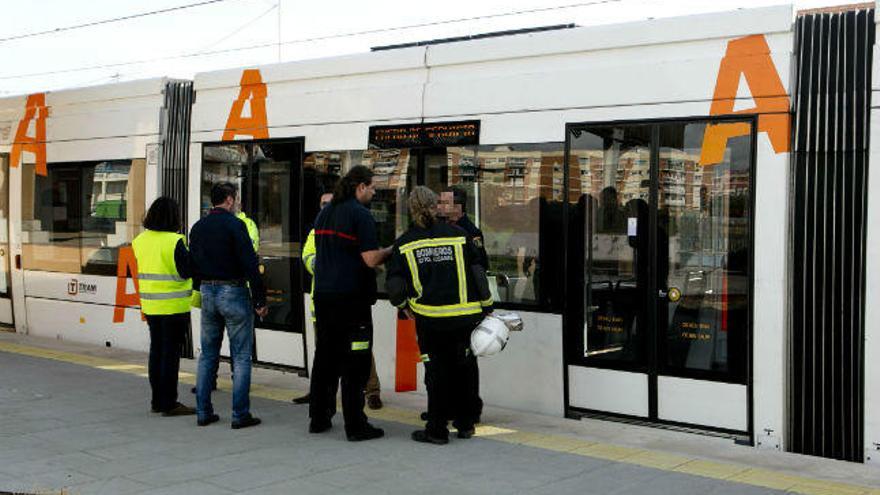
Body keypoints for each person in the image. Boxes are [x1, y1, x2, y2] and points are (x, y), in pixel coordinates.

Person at [387, 186, 494, 445]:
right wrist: (487, 306)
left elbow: (395, 286)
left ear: (412, 210)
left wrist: (403, 305)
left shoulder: (405, 242)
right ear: (435, 206)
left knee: (436, 372)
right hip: (465, 318)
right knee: (465, 368)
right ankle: (466, 423)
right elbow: (479, 272)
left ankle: (436, 429)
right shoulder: (459, 235)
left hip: (430, 320)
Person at [308, 165, 391, 441]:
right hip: (351, 301)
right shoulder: (360, 215)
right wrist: (393, 249)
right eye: (373, 187)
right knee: (356, 362)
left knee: (326, 358)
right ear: (360, 187)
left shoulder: (324, 214)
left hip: (324, 297)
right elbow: (369, 259)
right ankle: (356, 425)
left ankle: (319, 418)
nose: (375, 191)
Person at [292, 191, 385, 410]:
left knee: (362, 351)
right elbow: (307, 258)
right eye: (323, 203)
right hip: (323, 307)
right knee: (324, 356)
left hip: (349, 304)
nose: (326, 207)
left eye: (330, 203)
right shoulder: (316, 231)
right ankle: (320, 395)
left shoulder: (350, 226)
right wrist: (327, 265)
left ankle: (372, 391)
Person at [190, 182, 268, 429]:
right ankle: (240, 415)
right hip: (233, 292)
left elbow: (194, 262)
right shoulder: (237, 225)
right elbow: (250, 264)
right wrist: (260, 300)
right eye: (236, 198)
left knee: (208, 354)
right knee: (242, 355)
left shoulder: (198, 227)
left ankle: (203, 412)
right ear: (230, 200)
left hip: (207, 292)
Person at [132, 197, 196, 417]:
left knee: (156, 351)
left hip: (150, 305)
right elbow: (187, 271)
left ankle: (157, 400)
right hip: (174, 306)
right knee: (170, 355)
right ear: (174, 217)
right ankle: (169, 402)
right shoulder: (175, 241)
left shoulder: (140, 240)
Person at [436, 188, 487, 424]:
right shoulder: (440, 229)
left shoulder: (471, 232)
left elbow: (480, 267)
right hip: (447, 305)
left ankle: (470, 410)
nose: (438, 205)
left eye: (443, 202)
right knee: (445, 361)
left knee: (465, 361)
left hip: (466, 306)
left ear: (458, 206)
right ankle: (445, 408)